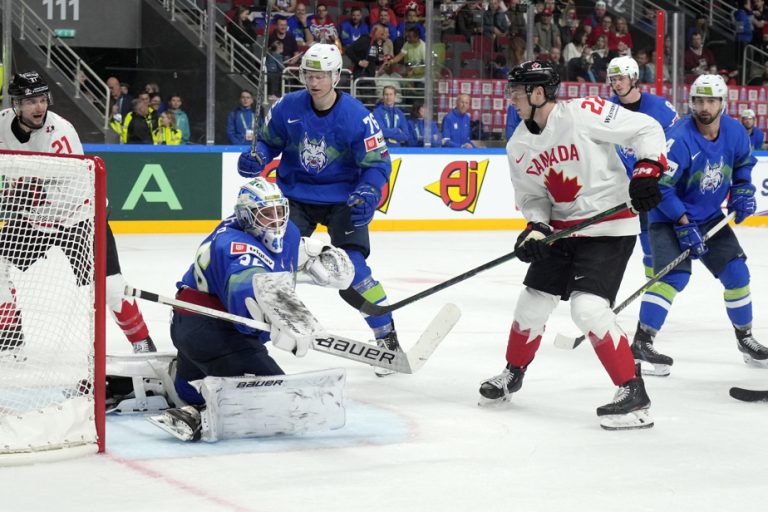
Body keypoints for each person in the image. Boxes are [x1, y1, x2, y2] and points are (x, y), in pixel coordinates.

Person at [479, 60, 669, 430]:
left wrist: (647, 169)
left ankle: (633, 391)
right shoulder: (519, 143)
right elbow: (533, 196)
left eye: (517, 92)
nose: (511, 100)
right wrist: (536, 227)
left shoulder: (584, 113)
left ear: (538, 93)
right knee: (531, 301)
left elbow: (646, 127)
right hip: (562, 232)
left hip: (609, 227)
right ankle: (512, 372)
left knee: (588, 308)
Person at [236, 44, 402, 376]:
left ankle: (387, 337)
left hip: (344, 200)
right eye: (310, 75)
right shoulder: (288, 107)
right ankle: (248, 340)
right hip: (296, 198)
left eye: (322, 75)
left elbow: (378, 163)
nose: (315, 82)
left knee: (353, 270)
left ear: (337, 76)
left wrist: (369, 190)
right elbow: (269, 140)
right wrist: (258, 155)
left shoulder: (357, 116)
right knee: (273, 265)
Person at [154, 177, 354, 441]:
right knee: (283, 404)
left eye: (279, 211)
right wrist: (291, 317)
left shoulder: (286, 231)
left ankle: (187, 382)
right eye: (265, 214)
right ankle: (197, 414)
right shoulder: (235, 246)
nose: (275, 220)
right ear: (246, 216)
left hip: (193, 324)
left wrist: (309, 255)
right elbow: (247, 282)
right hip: (209, 331)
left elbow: (275, 257)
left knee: (192, 383)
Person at [0, 72, 156, 356]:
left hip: (81, 217)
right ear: (16, 104)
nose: (39, 107)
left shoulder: (61, 133)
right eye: (31, 101)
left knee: (109, 287)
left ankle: (143, 344)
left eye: (43, 99)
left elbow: (74, 190)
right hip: (35, 221)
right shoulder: (2, 124)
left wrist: (22, 198)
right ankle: (10, 338)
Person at [632, 74, 767, 376]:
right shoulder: (679, 138)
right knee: (672, 278)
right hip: (667, 218)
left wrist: (743, 189)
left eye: (710, 100)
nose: (704, 107)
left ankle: (745, 338)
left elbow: (744, 162)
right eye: (698, 100)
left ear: (722, 102)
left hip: (709, 218)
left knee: (737, 273)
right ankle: (642, 342)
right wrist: (682, 222)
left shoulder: (734, 131)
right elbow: (661, 187)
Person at [605, 56, 679, 281]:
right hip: (618, 189)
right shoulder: (607, 109)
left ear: (634, 78)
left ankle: (652, 286)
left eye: (621, 78)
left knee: (650, 242)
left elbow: (677, 143)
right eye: (613, 79)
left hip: (649, 184)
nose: (617, 83)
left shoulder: (660, 108)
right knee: (611, 246)